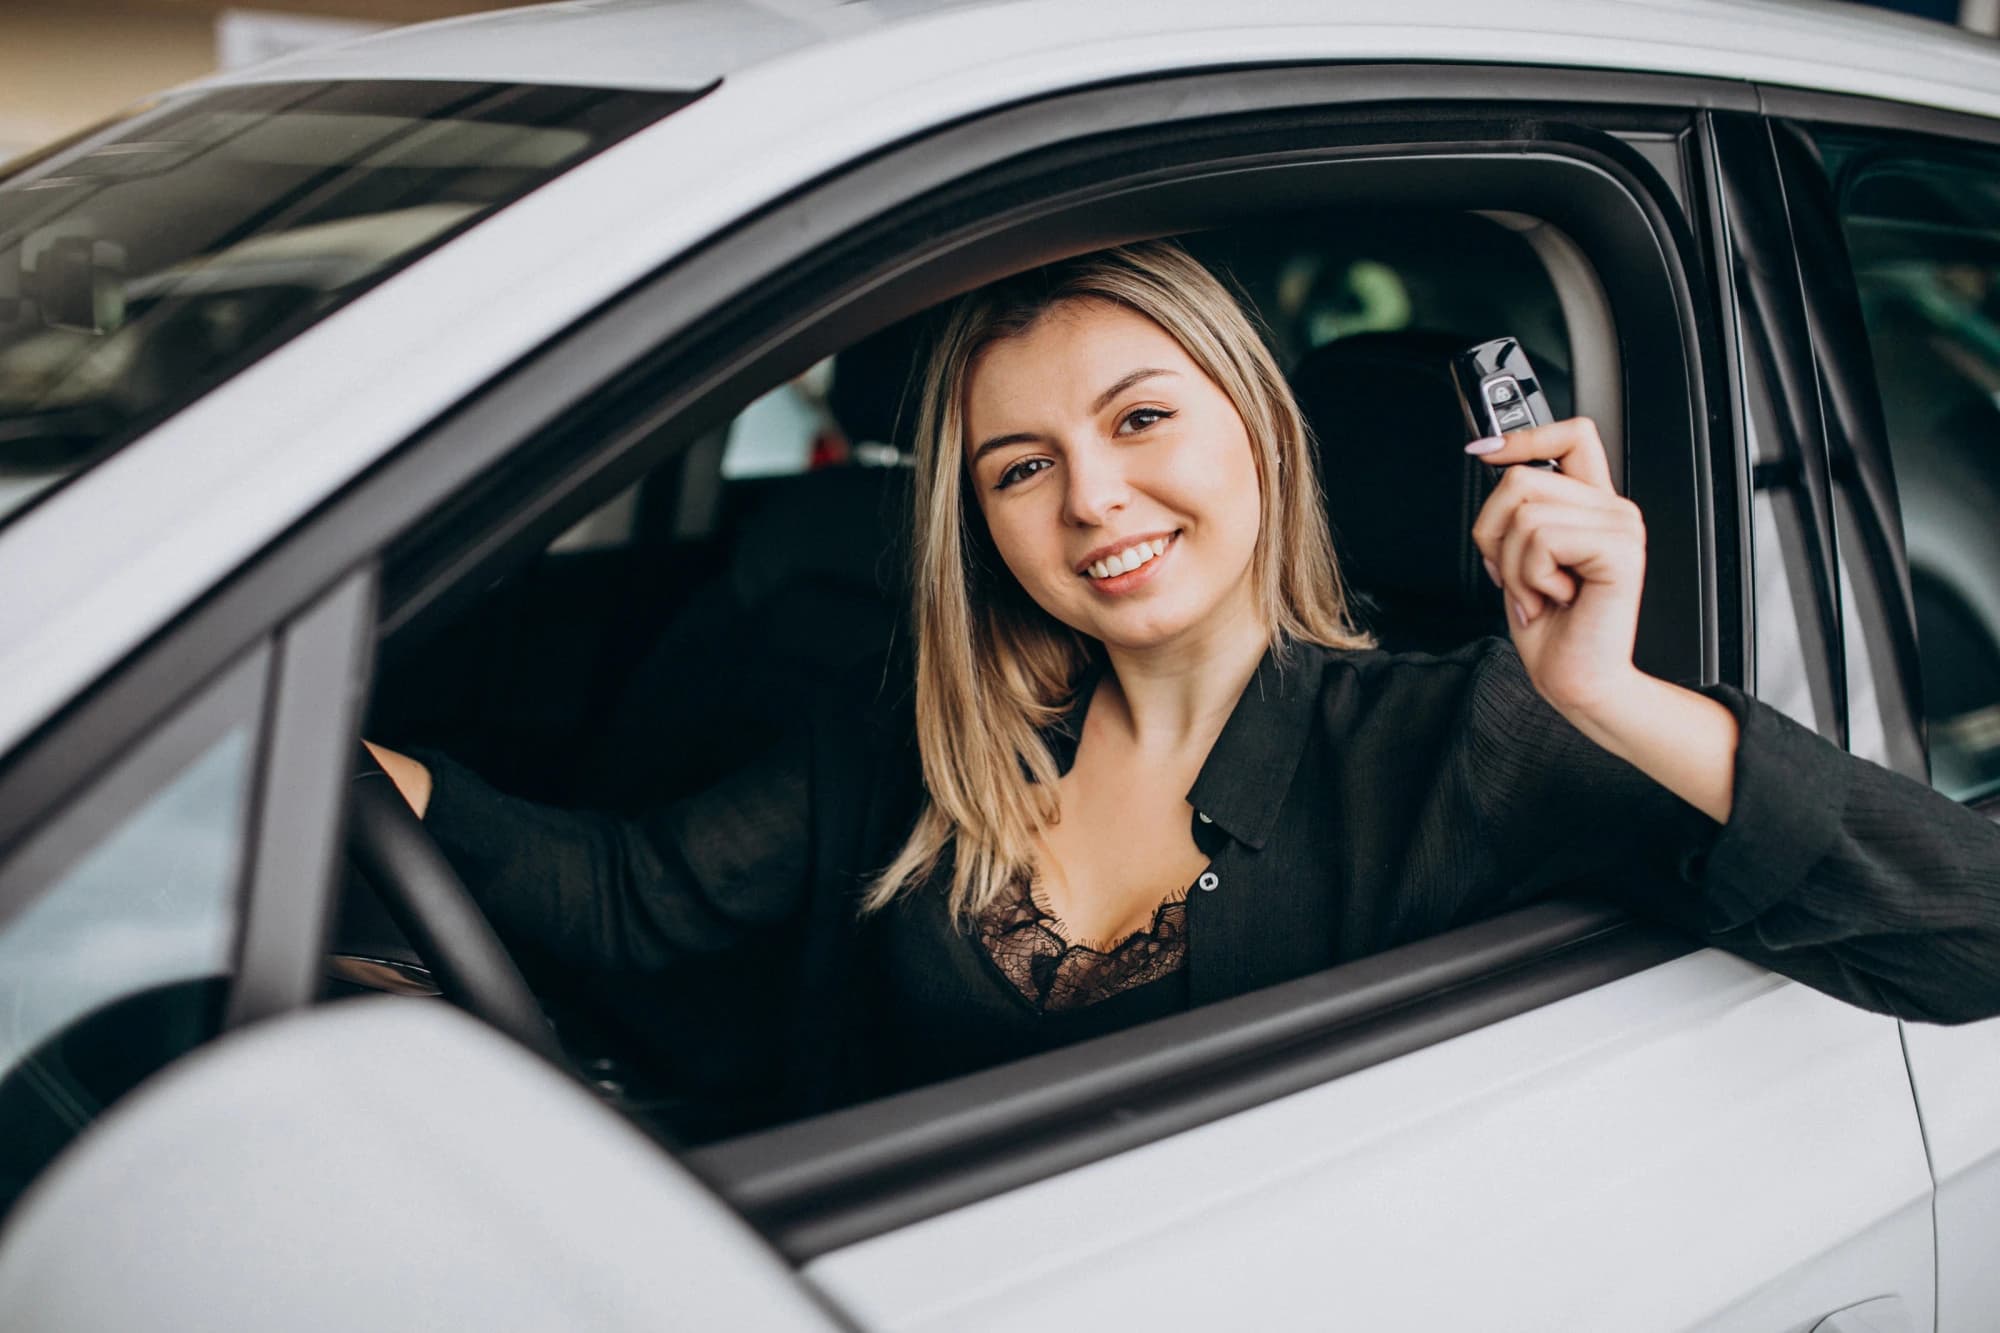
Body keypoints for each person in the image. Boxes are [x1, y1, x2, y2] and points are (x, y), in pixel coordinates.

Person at [366, 240, 2000, 1124]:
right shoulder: (928, 735)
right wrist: (336, 774)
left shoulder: (1465, 737)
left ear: (1258, 429)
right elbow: (636, 897)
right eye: (1022, 466)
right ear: (980, 520)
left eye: (1141, 419)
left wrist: (1612, 693)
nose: (1090, 499)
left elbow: (1969, 936)